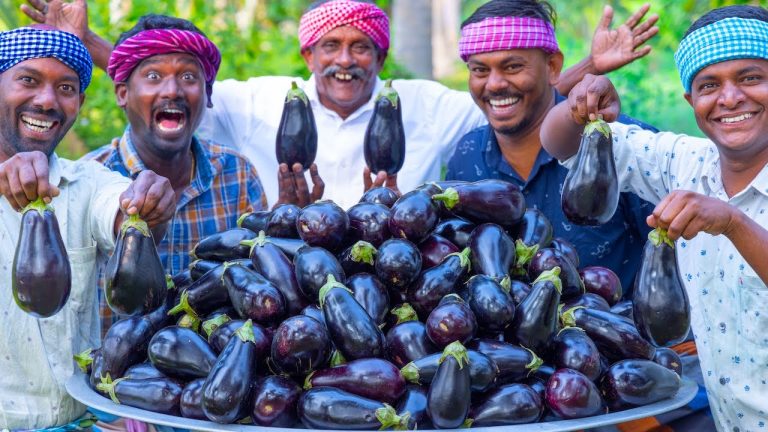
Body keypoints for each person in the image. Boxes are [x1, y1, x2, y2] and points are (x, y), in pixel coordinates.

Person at [22, 0, 659, 209]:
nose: (345, 60)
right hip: (287, 287)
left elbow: (515, 93)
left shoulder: (428, 104)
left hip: (400, 285)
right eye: (330, 46)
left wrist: (584, 72)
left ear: (381, 56)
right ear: (308, 57)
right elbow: (167, 81)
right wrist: (88, 45)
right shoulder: (259, 100)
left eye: (361, 46)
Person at [540, 5, 768, 431]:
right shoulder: (683, 163)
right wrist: (580, 104)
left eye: (751, 78)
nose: (730, 97)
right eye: (708, 85)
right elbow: (557, 143)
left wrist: (733, 223)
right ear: (690, 101)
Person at [0, 25, 175, 430]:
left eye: (66, 88)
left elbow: (116, 209)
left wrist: (146, 206)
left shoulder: (89, 182)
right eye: (28, 80)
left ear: (78, 103)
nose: (46, 100)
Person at [446, 0, 656, 293]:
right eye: (479, 70)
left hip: (618, 334)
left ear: (553, 67)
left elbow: (680, 257)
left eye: (513, 66)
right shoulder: (467, 158)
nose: (494, 84)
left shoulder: (622, 146)